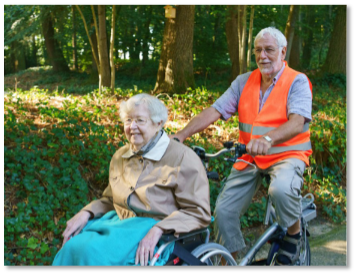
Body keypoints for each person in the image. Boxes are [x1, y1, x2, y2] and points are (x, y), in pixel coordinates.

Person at [171, 27, 312, 266]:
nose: (262, 56)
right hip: (251, 157)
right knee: (223, 212)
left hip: (287, 155)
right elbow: (216, 110)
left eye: (269, 50)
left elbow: (298, 121)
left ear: (283, 51)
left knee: (281, 190)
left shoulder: (297, 81)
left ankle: (294, 235)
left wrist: (268, 140)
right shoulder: (244, 81)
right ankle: (230, 260)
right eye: (258, 50)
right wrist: (181, 135)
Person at [53, 93, 211, 266]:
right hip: (119, 226)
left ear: (158, 123)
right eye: (128, 120)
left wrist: (159, 229)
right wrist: (86, 212)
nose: (132, 127)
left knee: (92, 254)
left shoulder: (183, 158)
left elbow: (198, 212)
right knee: (72, 247)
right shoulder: (121, 156)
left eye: (140, 120)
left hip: (157, 231)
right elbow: (110, 199)